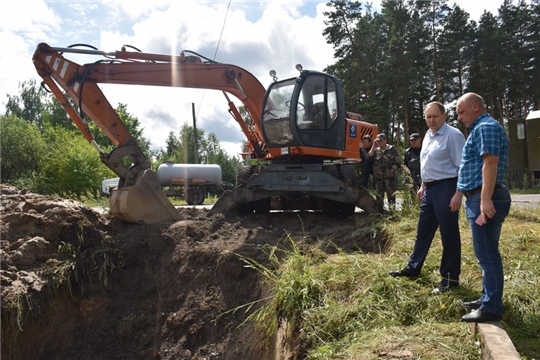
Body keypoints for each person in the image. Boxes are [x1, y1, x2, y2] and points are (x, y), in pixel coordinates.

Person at [389, 102, 465, 294]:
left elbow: (462, 167)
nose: (431, 120)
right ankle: (413, 268)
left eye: (435, 116)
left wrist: (458, 193)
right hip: (429, 189)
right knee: (423, 232)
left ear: (444, 116)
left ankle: (450, 279)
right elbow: (427, 163)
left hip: (447, 188)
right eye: (428, 117)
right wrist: (423, 185)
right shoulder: (429, 136)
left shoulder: (453, 136)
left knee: (448, 234)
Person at [453, 93, 511, 323]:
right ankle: (487, 298)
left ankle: (492, 308)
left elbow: (490, 163)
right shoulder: (479, 128)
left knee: (487, 254)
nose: (459, 117)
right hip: (478, 196)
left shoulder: (485, 127)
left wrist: (486, 199)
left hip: (484, 197)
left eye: (461, 112)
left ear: (475, 107)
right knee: (485, 252)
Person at [367, 133, 401, 212]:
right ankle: (380, 214)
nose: (379, 142)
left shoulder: (392, 149)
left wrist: (393, 169)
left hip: (389, 178)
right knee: (379, 197)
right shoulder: (375, 150)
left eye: (380, 141)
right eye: (377, 141)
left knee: (391, 196)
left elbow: (398, 162)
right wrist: (373, 146)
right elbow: (368, 157)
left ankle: (392, 213)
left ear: (385, 140)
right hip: (378, 178)